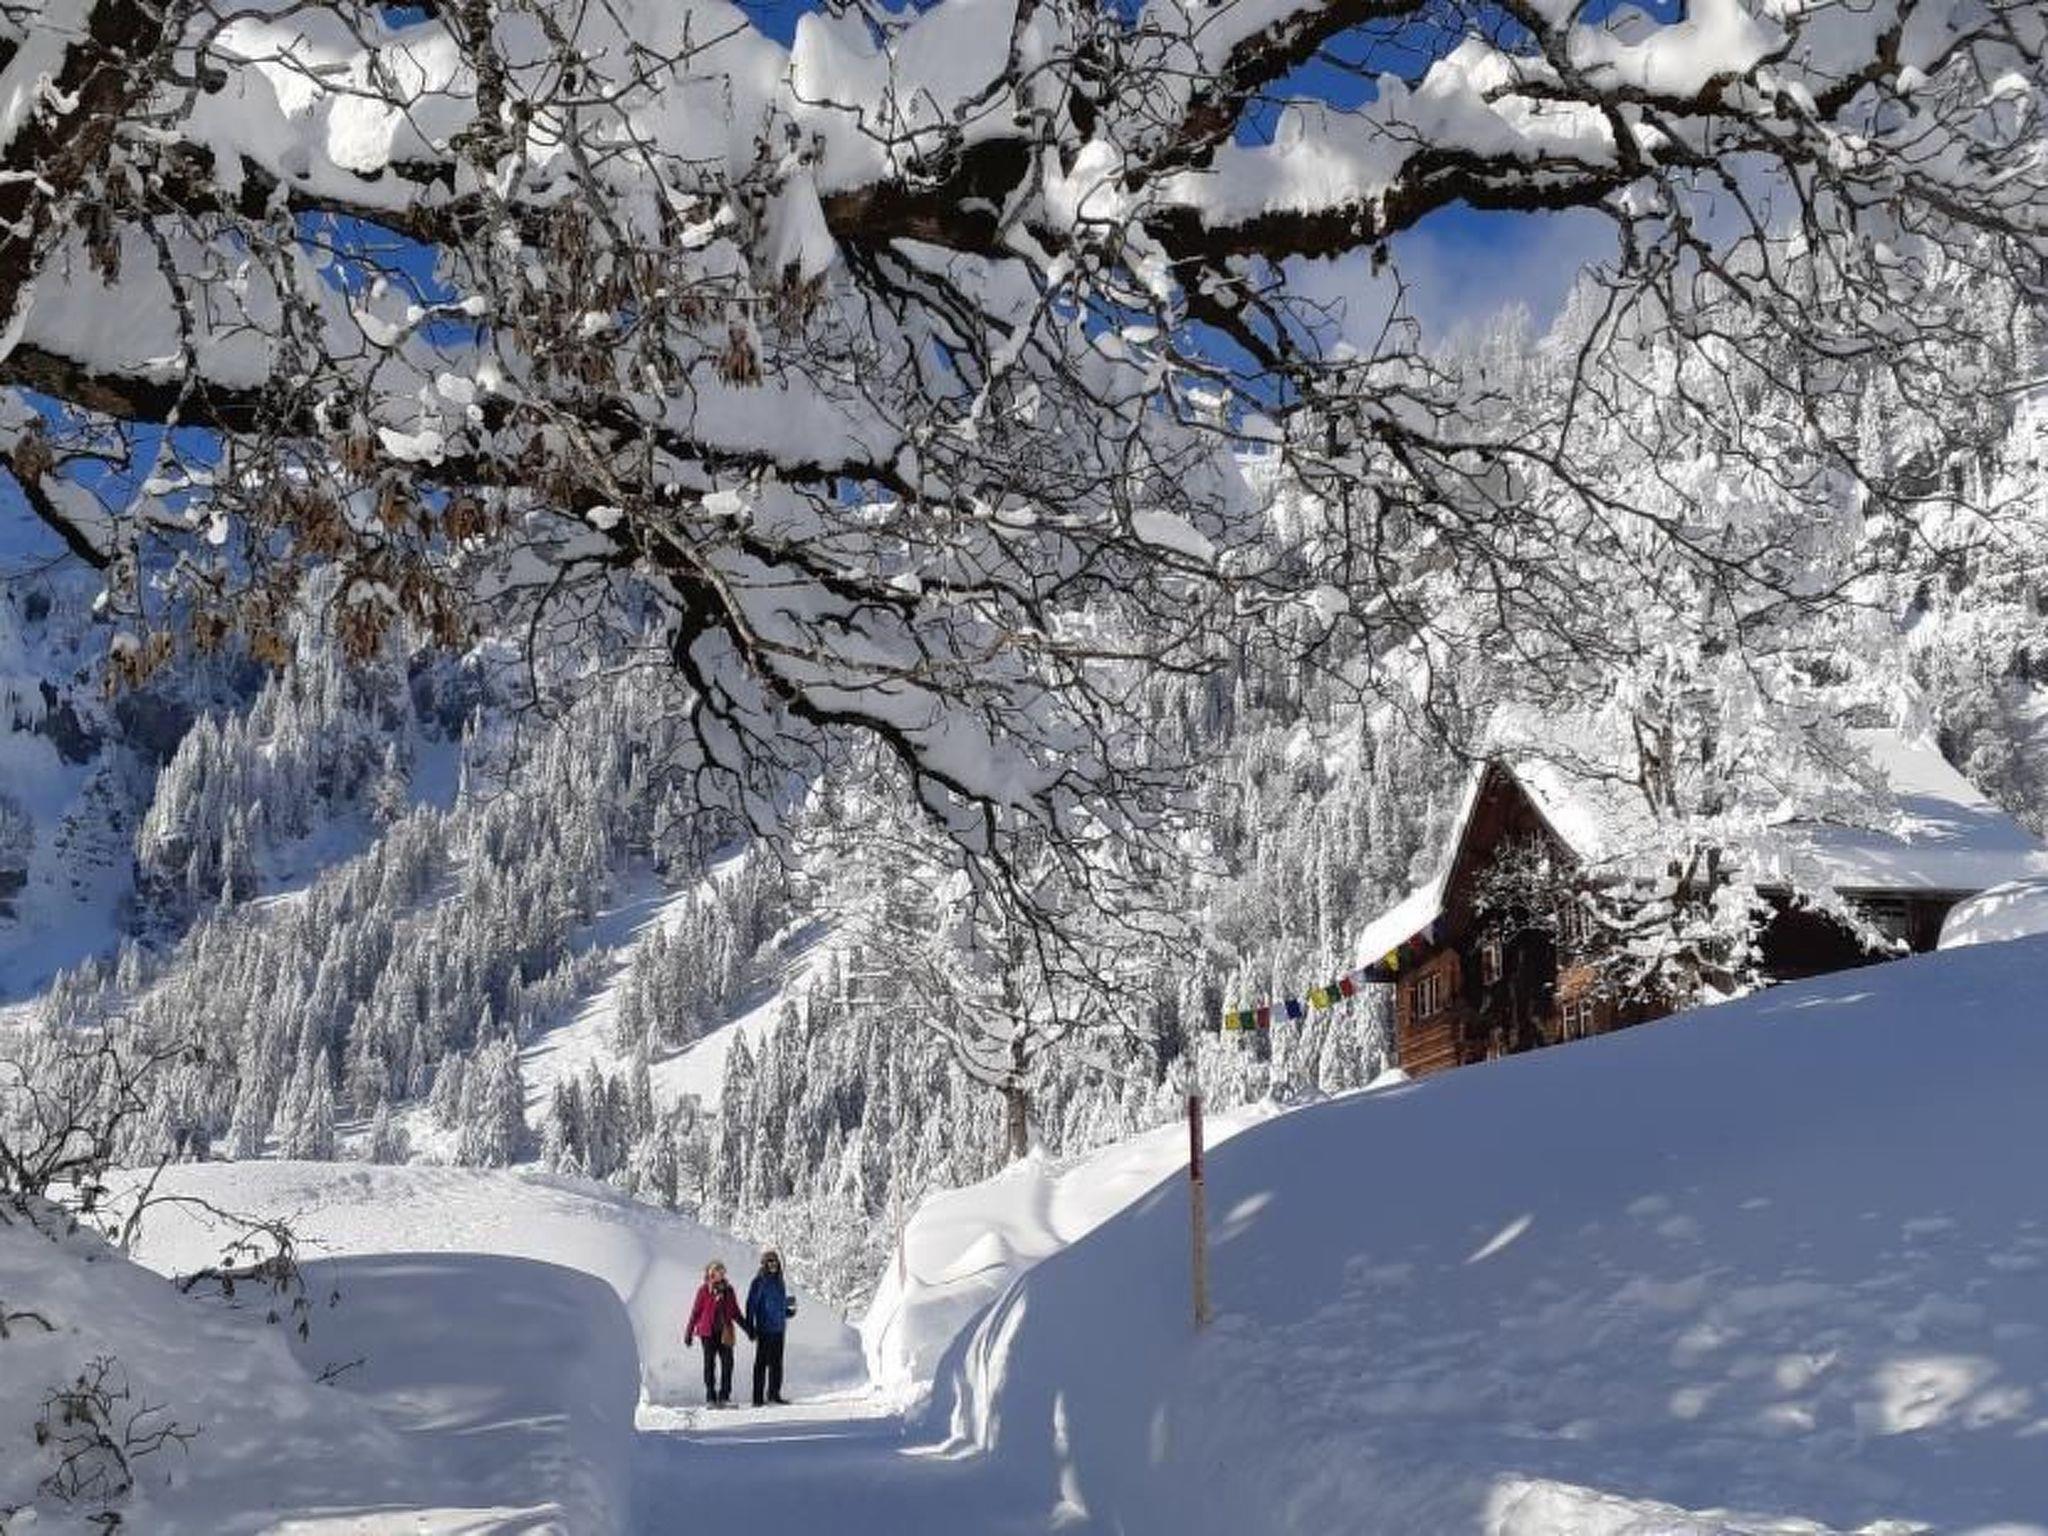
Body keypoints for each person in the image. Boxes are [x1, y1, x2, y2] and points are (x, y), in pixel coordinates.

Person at [685, 1260, 750, 1406]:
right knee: (709, 1364)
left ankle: (724, 1396)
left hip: (725, 1333)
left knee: (728, 1364)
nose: (720, 1274)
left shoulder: (729, 1291)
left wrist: (748, 1329)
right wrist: (689, 1332)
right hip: (707, 1333)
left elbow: (735, 1312)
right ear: (711, 1273)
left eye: (722, 1271)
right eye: (717, 1271)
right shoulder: (703, 1290)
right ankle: (710, 1396)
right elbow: (695, 1313)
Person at [745, 1246, 797, 1406]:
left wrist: (787, 1311)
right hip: (764, 1328)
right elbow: (751, 1305)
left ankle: (774, 1394)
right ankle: (757, 1398)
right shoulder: (759, 1281)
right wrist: (750, 1326)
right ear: (764, 1264)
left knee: (776, 1364)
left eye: (775, 1261)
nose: (773, 1264)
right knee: (761, 1363)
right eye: (769, 1261)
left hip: (779, 1329)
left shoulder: (779, 1281)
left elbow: (778, 1303)